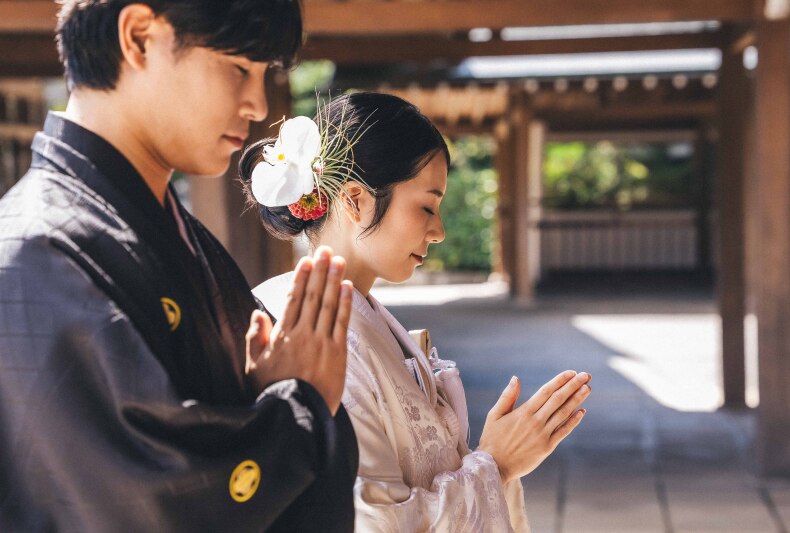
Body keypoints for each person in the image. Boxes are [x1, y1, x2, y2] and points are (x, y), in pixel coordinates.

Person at [0, 1, 358, 531]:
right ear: (140, 37)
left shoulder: (174, 233)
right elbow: (142, 504)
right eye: (238, 68)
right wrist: (297, 409)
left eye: (264, 75)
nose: (257, 104)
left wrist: (275, 399)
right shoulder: (36, 252)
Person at [244, 92, 592, 532]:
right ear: (355, 200)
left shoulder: (361, 315)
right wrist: (495, 465)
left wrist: (489, 456)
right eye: (427, 206)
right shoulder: (314, 335)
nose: (440, 230)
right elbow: (373, 522)